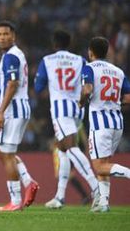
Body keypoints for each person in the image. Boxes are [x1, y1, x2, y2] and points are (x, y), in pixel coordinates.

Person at [34, 30, 98, 209]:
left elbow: (38, 87)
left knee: (69, 148)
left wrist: (50, 89)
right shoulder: (81, 60)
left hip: (60, 111)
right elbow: (88, 84)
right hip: (78, 110)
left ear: (54, 44)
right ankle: (60, 197)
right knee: (61, 150)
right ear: (69, 44)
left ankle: (96, 188)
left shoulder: (47, 61)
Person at [79, 36, 130, 212]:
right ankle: (103, 203)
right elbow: (128, 98)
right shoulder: (118, 71)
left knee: (99, 166)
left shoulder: (89, 68)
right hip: (117, 122)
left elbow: (87, 90)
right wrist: (113, 101)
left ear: (90, 51)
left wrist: (80, 102)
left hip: (100, 122)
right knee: (105, 163)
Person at [0, 21, 39, 212]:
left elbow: (12, 85)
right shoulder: (14, 54)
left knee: (7, 154)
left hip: (13, 110)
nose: (2, 37)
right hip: (18, 109)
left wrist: (1, 111)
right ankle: (28, 182)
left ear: (14, 36)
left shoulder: (11, 56)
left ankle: (15, 200)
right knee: (0, 151)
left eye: (6, 34)